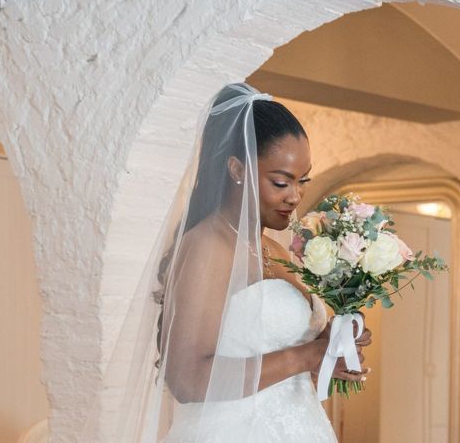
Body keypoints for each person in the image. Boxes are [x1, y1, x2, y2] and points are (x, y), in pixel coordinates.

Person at [80, 83, 372, 442]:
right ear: (236, 168)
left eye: (303, 180)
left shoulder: (276, 251)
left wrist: (334, 344)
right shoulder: (207, 246)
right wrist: (306, 355)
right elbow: (186, 379)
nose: (294, 196)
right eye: (280, 182)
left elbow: (296, 365)